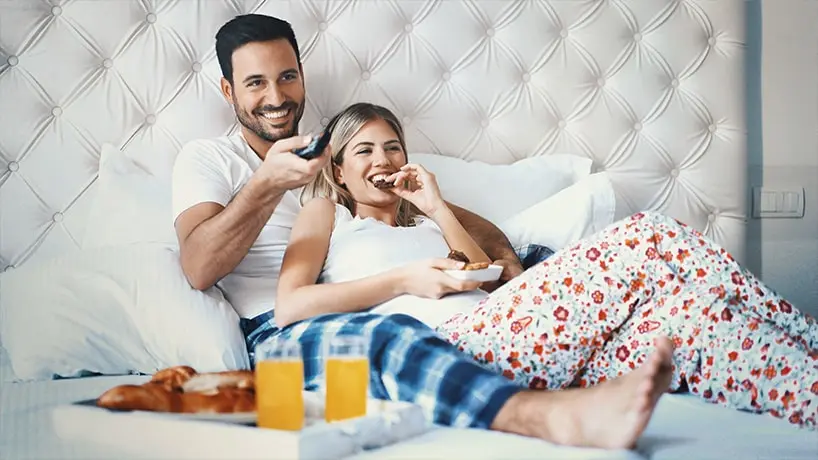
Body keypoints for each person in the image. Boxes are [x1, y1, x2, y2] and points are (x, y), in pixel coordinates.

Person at [171, 13, 677, 449]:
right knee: (385, 337)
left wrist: (513, 281)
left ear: (303, 76)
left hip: (408, 307)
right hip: (287, 331)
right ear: (228, 90)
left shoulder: (336, 151)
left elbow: (453, 221)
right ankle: (549, 418)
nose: (276, 96)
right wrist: (266, 184)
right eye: (255, 82)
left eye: (287, 77)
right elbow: (198, 267)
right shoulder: (211, 159)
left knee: (643, 243)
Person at [283, 101, 818, 431]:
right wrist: (404, 279)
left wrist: (437, 209)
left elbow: (489, 276)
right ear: (338, 167)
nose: (383, 162)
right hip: (452, 349)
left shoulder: (427, 222)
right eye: (365, 151)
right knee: (649, 234)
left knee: (695, 318)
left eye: (394, 149)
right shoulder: (326, 213)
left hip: (524, 336)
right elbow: (291, 305)